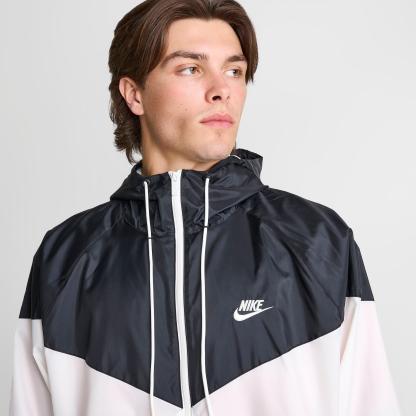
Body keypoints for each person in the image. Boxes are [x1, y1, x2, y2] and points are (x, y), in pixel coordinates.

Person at [9, 1, 402, 415]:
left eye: (234, 71)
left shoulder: (316, 241)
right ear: (134, 94)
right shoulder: (65, 257)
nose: (221, 90)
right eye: (190, 69)